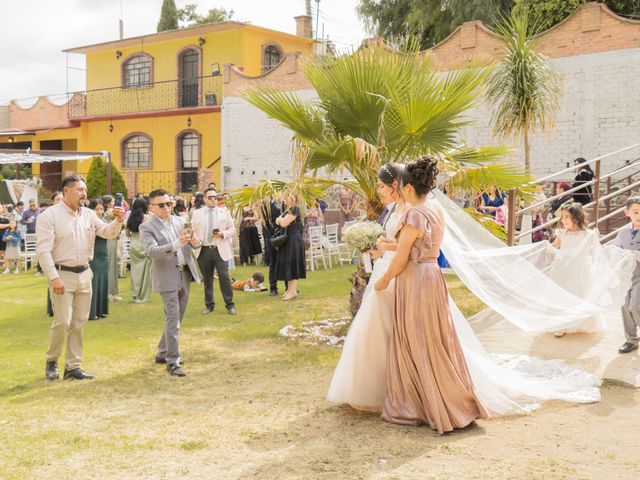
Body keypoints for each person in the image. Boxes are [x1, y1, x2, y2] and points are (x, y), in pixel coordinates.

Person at [374, 157, 489, 433]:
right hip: (432, 277)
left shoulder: (414, 213)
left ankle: (427, 404)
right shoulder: (435, 211)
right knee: (435, 340)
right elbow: (415, 247)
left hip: (416, 279)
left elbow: (403, 257)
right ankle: (447, 399)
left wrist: (385, 279)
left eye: (400, 186)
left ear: (409, 187)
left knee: (417, 340)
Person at [328, 163, 405, 411]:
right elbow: (395, 240)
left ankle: (388, 387)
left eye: (382, 186)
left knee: (385, 327)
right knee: (372, 329)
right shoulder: (391, 210)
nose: (379, 191)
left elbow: (408, 245)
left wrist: (385, 247)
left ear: (395, 185)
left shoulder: (409, 210)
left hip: (394, 272)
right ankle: (371, 387)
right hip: (383, 268)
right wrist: (376, 246)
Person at [37, 174, 125, 381]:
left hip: (85, 274)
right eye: (79, 189)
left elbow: (107, 232)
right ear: (66, 191)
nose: (84, 194)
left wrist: (118, 220)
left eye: (84, 190)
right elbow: (43, 251)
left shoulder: (88, 214)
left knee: (78, 321)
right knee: (63, 321)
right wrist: (54, 277)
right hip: (62, 274)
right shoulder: (49, 216)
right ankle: (52, 360)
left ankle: (73, 367)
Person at [139, 189, 201, 377]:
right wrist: (176, 243)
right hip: (166, 276)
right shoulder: (147, 228)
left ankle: (162, 351)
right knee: (173, 318)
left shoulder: (180, 221)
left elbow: (194, 245)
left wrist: (195, 242)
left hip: (185, 274)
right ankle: (173, 361)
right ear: (151, 207)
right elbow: (152, 252)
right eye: (162, 205)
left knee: (177, 317)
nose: (167, 208)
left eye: (169, 203)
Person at [549, 202, 603, 336]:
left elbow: (596, 253)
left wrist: (595, 269)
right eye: (562, 217)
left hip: (581, 270)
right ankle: (561, 325)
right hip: (563, 269)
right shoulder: (562, 234)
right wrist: (545, 247)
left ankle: (581, 322)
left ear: (576, 218)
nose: (563, 220)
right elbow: (553, 247)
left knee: (580, 295)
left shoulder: (588, 234)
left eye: (567, 217)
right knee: (562, 297)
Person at [191, 188, 236, 315]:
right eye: (210, 197)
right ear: (205, 199)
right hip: (203, 249)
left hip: (220, 249)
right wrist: (193, 238)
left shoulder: (224, 212)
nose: (213, 200)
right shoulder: (197, 213)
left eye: (215, 197)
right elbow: (193, 230)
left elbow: (233, 229)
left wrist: (223, 233)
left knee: (224, 276)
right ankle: (209, 305)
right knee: (207, 279)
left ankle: (230, 304)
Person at [615, 196, 640, 354]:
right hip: (626, 275)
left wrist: (635, 254)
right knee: (624, 306)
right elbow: (616, 250)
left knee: (635, 305)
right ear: (627, 213)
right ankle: (631, 339)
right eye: (635, 212)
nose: (639, 215)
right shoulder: (623, 232)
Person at [275, 193, 306, 301]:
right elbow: (278, 220)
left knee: (293, 264)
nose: (285, 198)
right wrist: (280, 221)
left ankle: (292, 291)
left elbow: (283, 223)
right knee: (288, 264)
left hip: (294, 240)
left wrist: (280, 221)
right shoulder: (287, 209)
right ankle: (289, 290)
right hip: (288, 240)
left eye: (287, 196)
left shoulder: (295, 208)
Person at [126, 198, 153, 304]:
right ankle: (143, 295)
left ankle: (135, 293)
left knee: (135, 270)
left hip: (134, 244)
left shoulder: (130, 218)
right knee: (146, 272)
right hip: (144, 245)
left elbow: (127, 233)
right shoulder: (147, 217)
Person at [87, 199, 109, 320]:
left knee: (103, 281)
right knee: (94, 283)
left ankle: (101, 310)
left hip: (104, 254)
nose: (99, 211)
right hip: (94, 255)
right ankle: (92, 312)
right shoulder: (89, 222)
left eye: (101, 209)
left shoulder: (104, 221)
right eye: (97, 209)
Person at [261, 195, 284, 296]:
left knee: (286, 262)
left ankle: (290, 287)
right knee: (273, 263)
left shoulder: (285, 204)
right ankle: (273, 287)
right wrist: (271, 239)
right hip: (272, 237)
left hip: (284, 236)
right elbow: (265, 224)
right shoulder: (266, 206)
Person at [46, 192, 64, 317]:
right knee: (53, 280)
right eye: (57, 199)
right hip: (52, 254)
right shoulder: (48, 216)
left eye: (62, 199)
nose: (60, 201)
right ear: (52, 201)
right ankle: (52, 308)